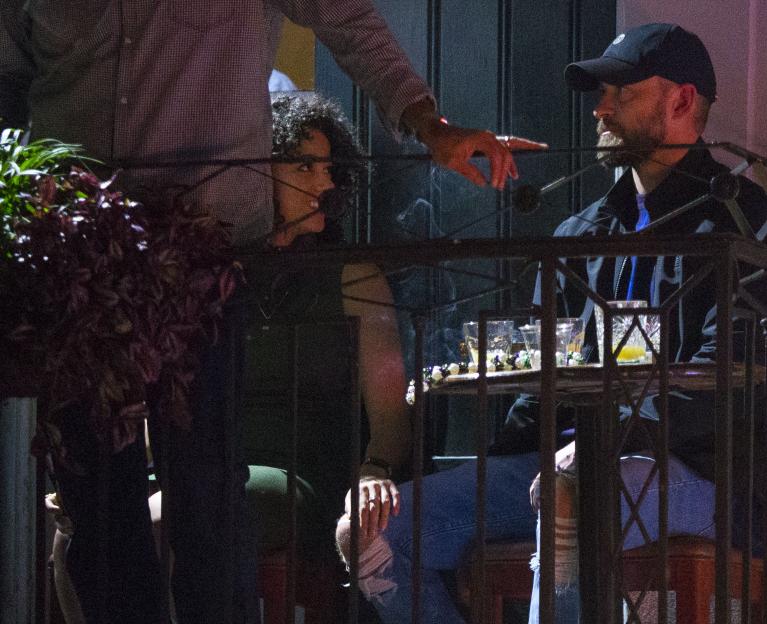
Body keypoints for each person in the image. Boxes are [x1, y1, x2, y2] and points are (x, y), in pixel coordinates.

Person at [0, 3, 542, 623]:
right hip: (77, 261)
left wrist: (430, 125)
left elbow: (347, 18)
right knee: (93, 502)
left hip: (206, 252)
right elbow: (9, 74)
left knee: (205, 501)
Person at [337, 22, 767, 624]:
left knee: (574, 486)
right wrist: (496, 474)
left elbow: (729, 382)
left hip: (700, 476)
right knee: (371, 532)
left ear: (681, 101)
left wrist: (608, 441)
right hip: (568, 463)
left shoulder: (742, 224)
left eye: (622, 92)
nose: (600, 108)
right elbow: (539, 382)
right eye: (601, 93)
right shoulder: (578, 236)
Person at [242, 92, 409, 563]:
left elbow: (391, 416)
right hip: (210, 467)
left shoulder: (353, 274)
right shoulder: (221, 269)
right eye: (304, 168)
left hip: (304, 476)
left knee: (169, 516)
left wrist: (375, 469)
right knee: (81, 530)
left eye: (331, 170)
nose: (325, 183)